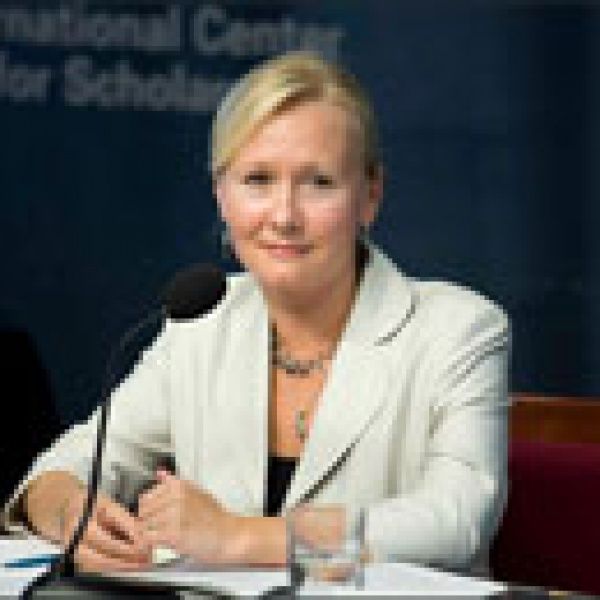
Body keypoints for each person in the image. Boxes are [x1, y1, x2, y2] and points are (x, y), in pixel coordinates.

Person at [1, 51, 510, 574]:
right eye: (258, 180)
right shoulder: (202, 323)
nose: (284, 216)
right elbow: (70, 464)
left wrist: (243, 538)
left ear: (370, 196)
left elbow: (454, 523)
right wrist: (70, 513)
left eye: (319, 182)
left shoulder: (458, 330)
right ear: (221, 194)